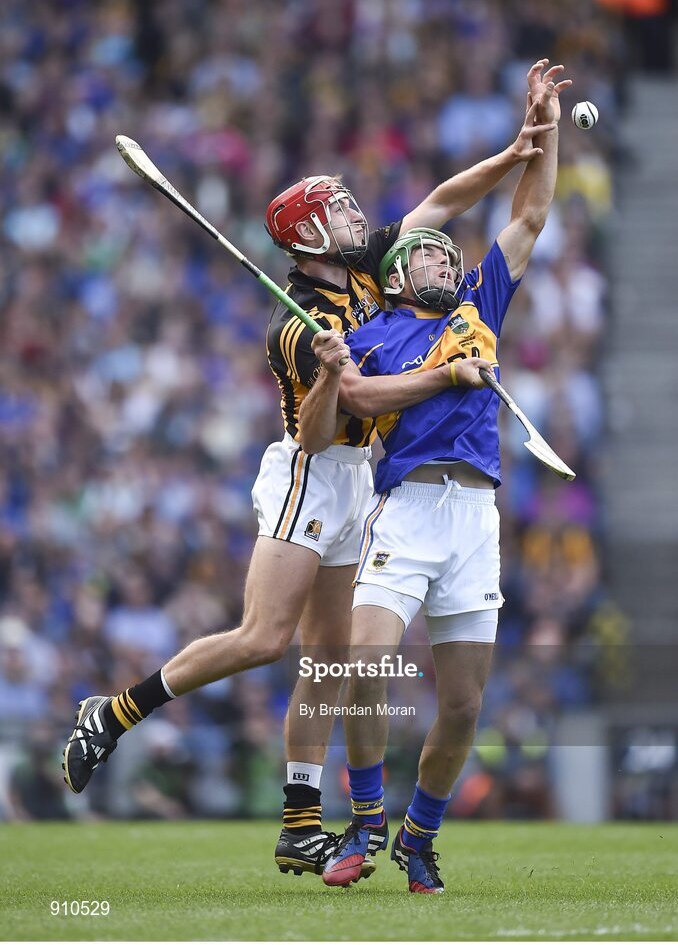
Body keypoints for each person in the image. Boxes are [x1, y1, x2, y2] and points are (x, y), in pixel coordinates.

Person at [62, 61, 555, 879]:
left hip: (369, 479)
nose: (363, 217)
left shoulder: (368, 271)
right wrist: (332, 369)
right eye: (343, 211)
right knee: (264, 639)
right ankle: (113, 711)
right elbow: (327, 431)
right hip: (313, 469)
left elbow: (438, 206)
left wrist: (511, 155)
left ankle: (300, 821)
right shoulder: (294, 329)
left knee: (327, 661)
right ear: (310, 236)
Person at [297, 62, 570, 892]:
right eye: (429, 257)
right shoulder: (373, 332)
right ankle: (368, 819)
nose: (446, 263)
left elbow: (530, 213)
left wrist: (544, 129)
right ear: (398, 273)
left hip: (474, 521)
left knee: (461, 706)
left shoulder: (478, 310)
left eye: (452, 258)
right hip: (406, 511)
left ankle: (421, 834)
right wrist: (443, 377)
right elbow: (356, 397)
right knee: (365, 666)